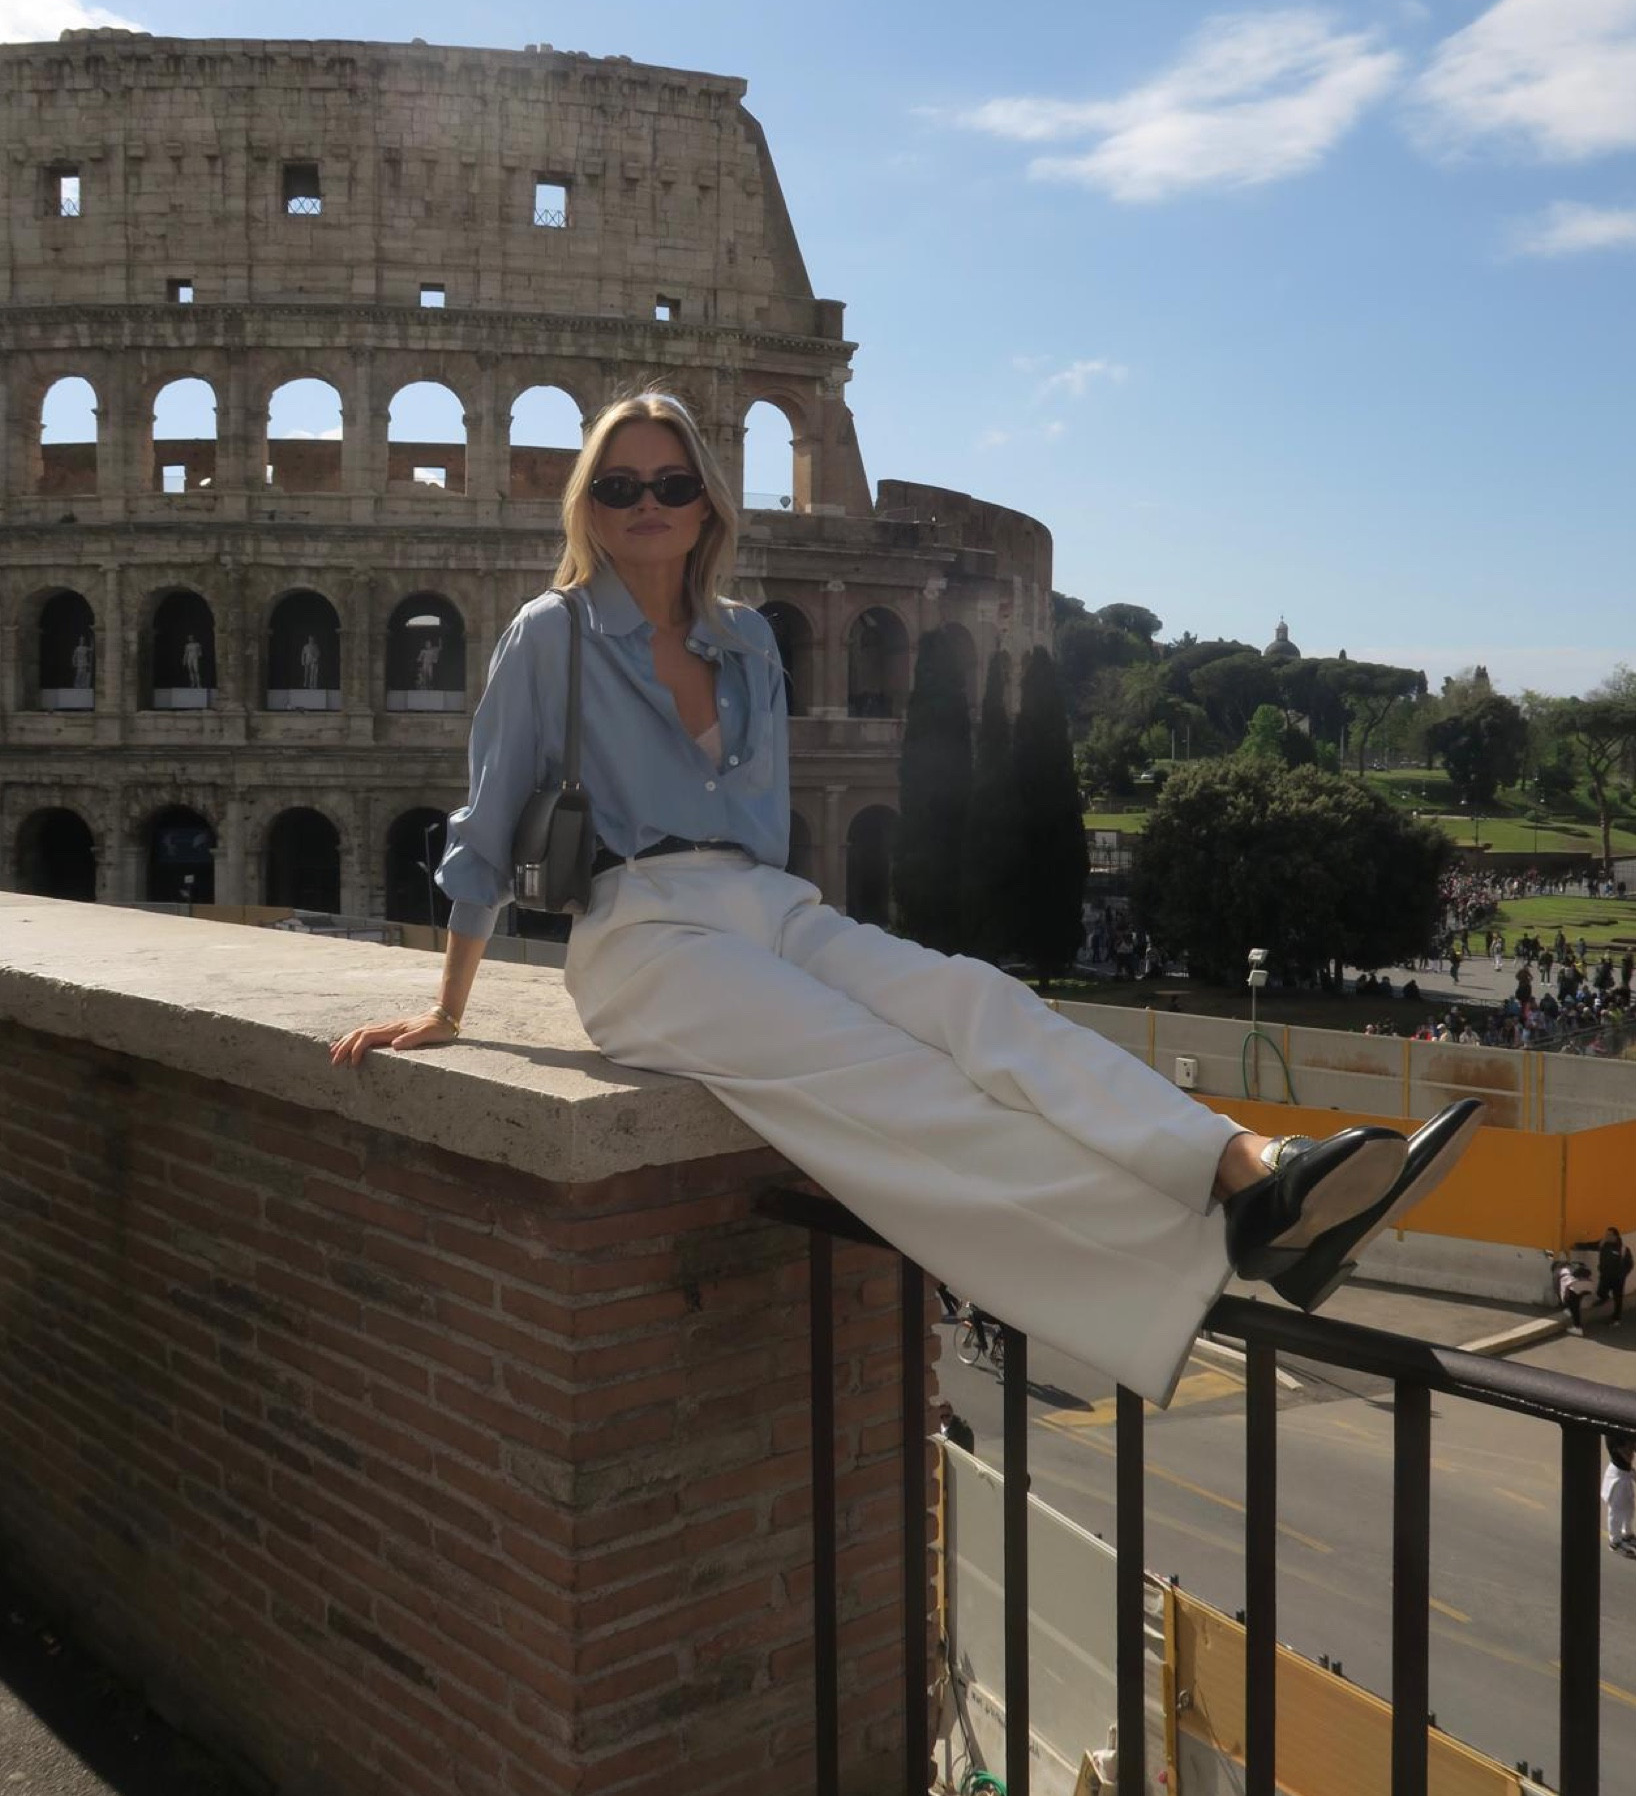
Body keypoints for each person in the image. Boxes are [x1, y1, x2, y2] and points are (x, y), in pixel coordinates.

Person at [329, 392, 1479, 1408]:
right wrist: (450, 1007)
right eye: (620, 484)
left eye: (670, 483)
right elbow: (484, 828)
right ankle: (1209, 1254)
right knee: (889, 1073)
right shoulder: (553, 633)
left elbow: (767, 825)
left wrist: (804, 929)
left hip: (764, 904)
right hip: (638, 932)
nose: (647, 503)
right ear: (590, 501)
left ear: (705, 503)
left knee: (973, 1001)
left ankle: (1250, 1172)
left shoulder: (746, 644)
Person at [1604, 1434, 1636, 1557]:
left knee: (1629, 1507)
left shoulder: (1622, 1433)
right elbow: (1628, 1453)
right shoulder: (1613, 1437)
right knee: (1616, 1511)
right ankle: (1615, 1542)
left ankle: (1627, 1535)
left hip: (1625, 1474)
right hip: (1617, 1477)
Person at [1595, 1227, 1633, 1328]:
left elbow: (1629, 1264)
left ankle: (1616, 1319)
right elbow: (1592, 1245)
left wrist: (1622, 1275)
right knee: (1600, 1292)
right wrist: (1577, 1246)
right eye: (1606, 1234)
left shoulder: (1623, 1249)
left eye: (1609, 1235)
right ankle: (1605, 1298)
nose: (1606, 1236)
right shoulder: (1603, 1244)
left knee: (1618, 1299)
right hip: (1605, 1276)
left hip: (1618, 1279)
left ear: (1615, 1236)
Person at [1554, 1258, 1596, 1333]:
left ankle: (1577, 1327)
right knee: (1576, 1300)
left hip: (1575, 1286)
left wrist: (1564, 1298)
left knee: (1574, 1307)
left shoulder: (1558, 1272)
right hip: (1588, 1285)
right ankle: (1570, 1312)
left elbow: (1563, 1287)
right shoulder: (1572, 1266)